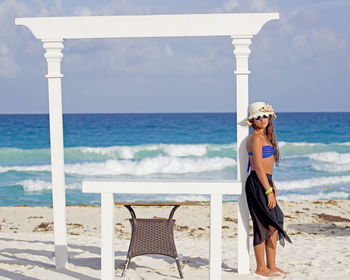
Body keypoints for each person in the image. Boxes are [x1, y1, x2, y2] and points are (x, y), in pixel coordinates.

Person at [245, 102, 292, 277]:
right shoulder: (256, 137)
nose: (262, 119)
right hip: (258, 184)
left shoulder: (265, 136)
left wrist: (273, 185)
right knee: (262, 225)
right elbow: (257, 166)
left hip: (266, 181)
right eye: (258, 117)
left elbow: (267, 166)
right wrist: (267, 190)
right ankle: (261, 267)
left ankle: (271, 265)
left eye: (265, 116)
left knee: (275, 221)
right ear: (252, 120)